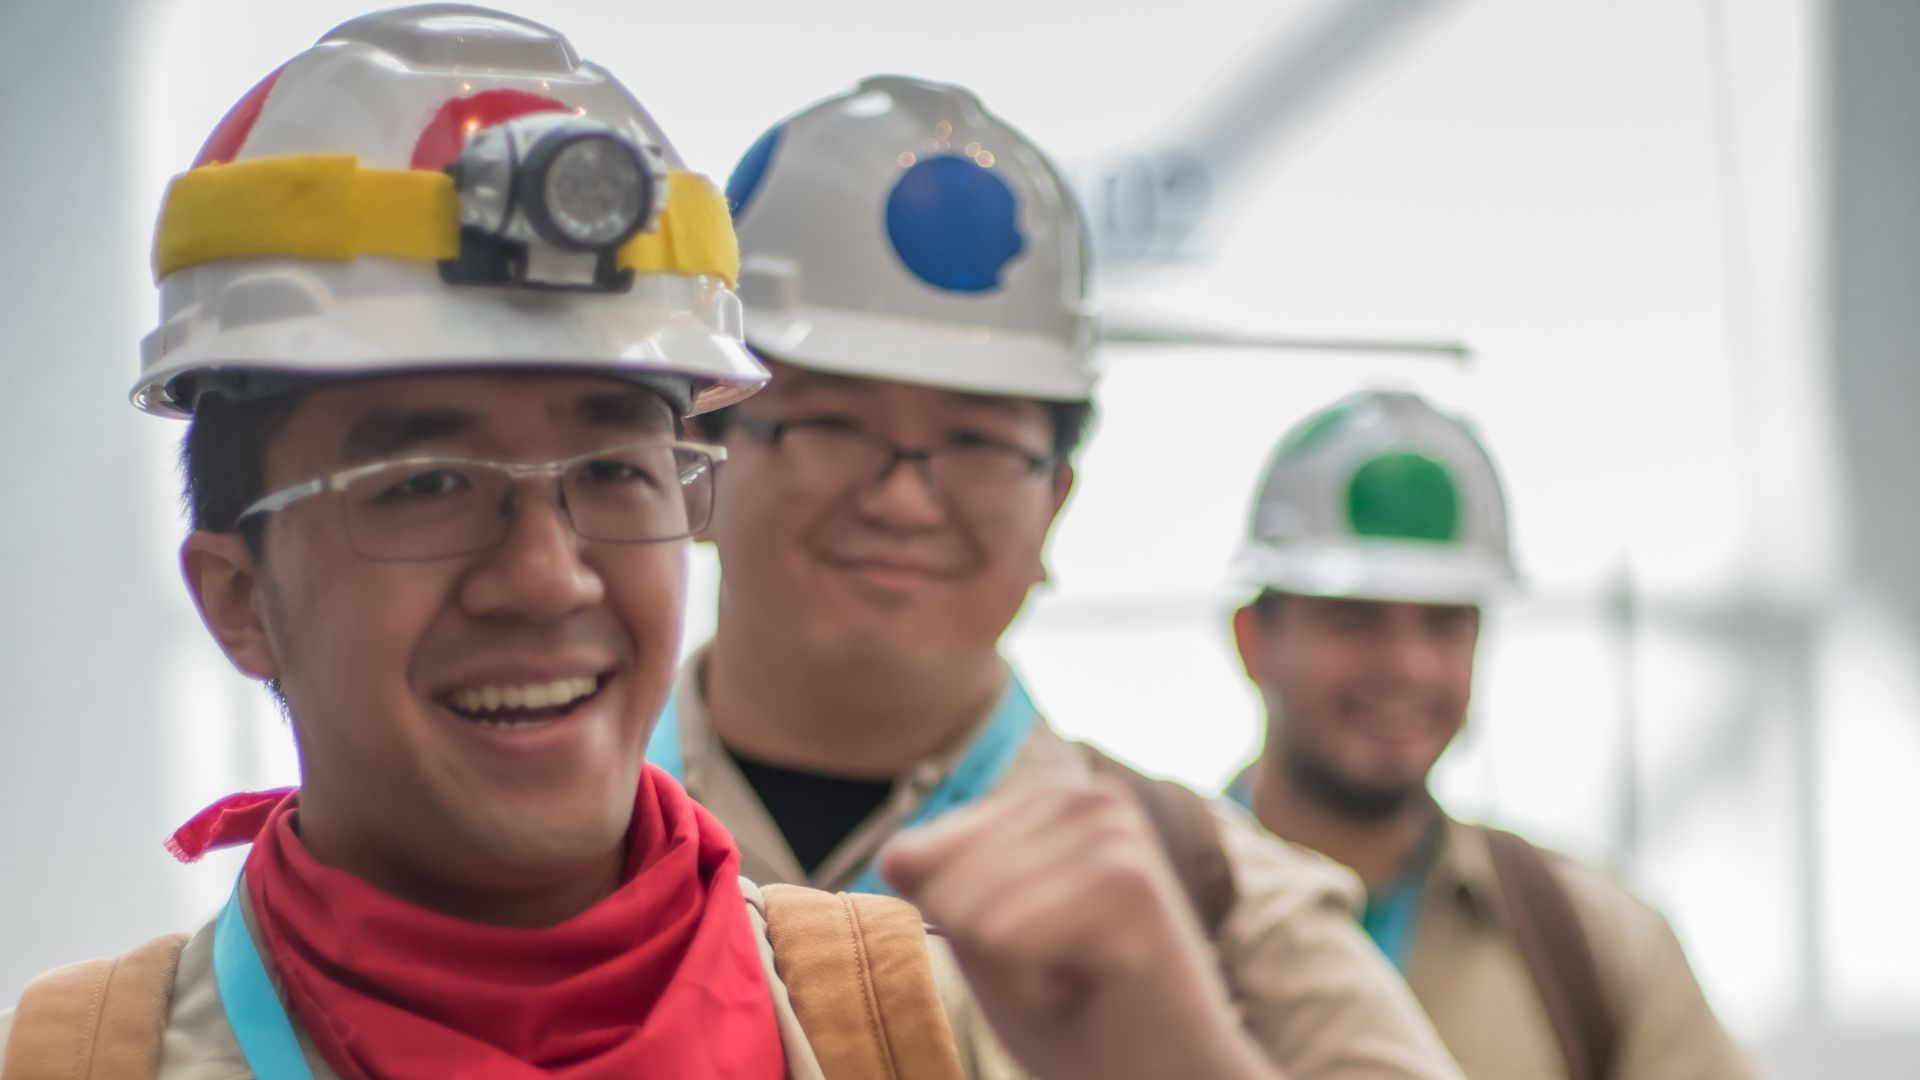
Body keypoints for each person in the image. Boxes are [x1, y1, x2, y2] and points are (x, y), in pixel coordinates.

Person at [0, 9, 1298, 1080]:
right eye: (428, 483)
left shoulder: (917, 1027)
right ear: (239, 601)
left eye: (615, 470)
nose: (548, 576)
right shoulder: (91, 1061)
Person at [651, 76, 1461, 1079]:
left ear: (1057, 498)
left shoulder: (1229, 911)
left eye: (977, 441)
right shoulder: (516, 846)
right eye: (833, 423)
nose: (904, 500)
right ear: (702, 452)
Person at [1226, 389, 1754, 1079]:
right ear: (1253, 640)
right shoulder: (1132, 915)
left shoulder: (1598, 945)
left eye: (1445, 625)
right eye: (1354, 620)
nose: (1407, 666)